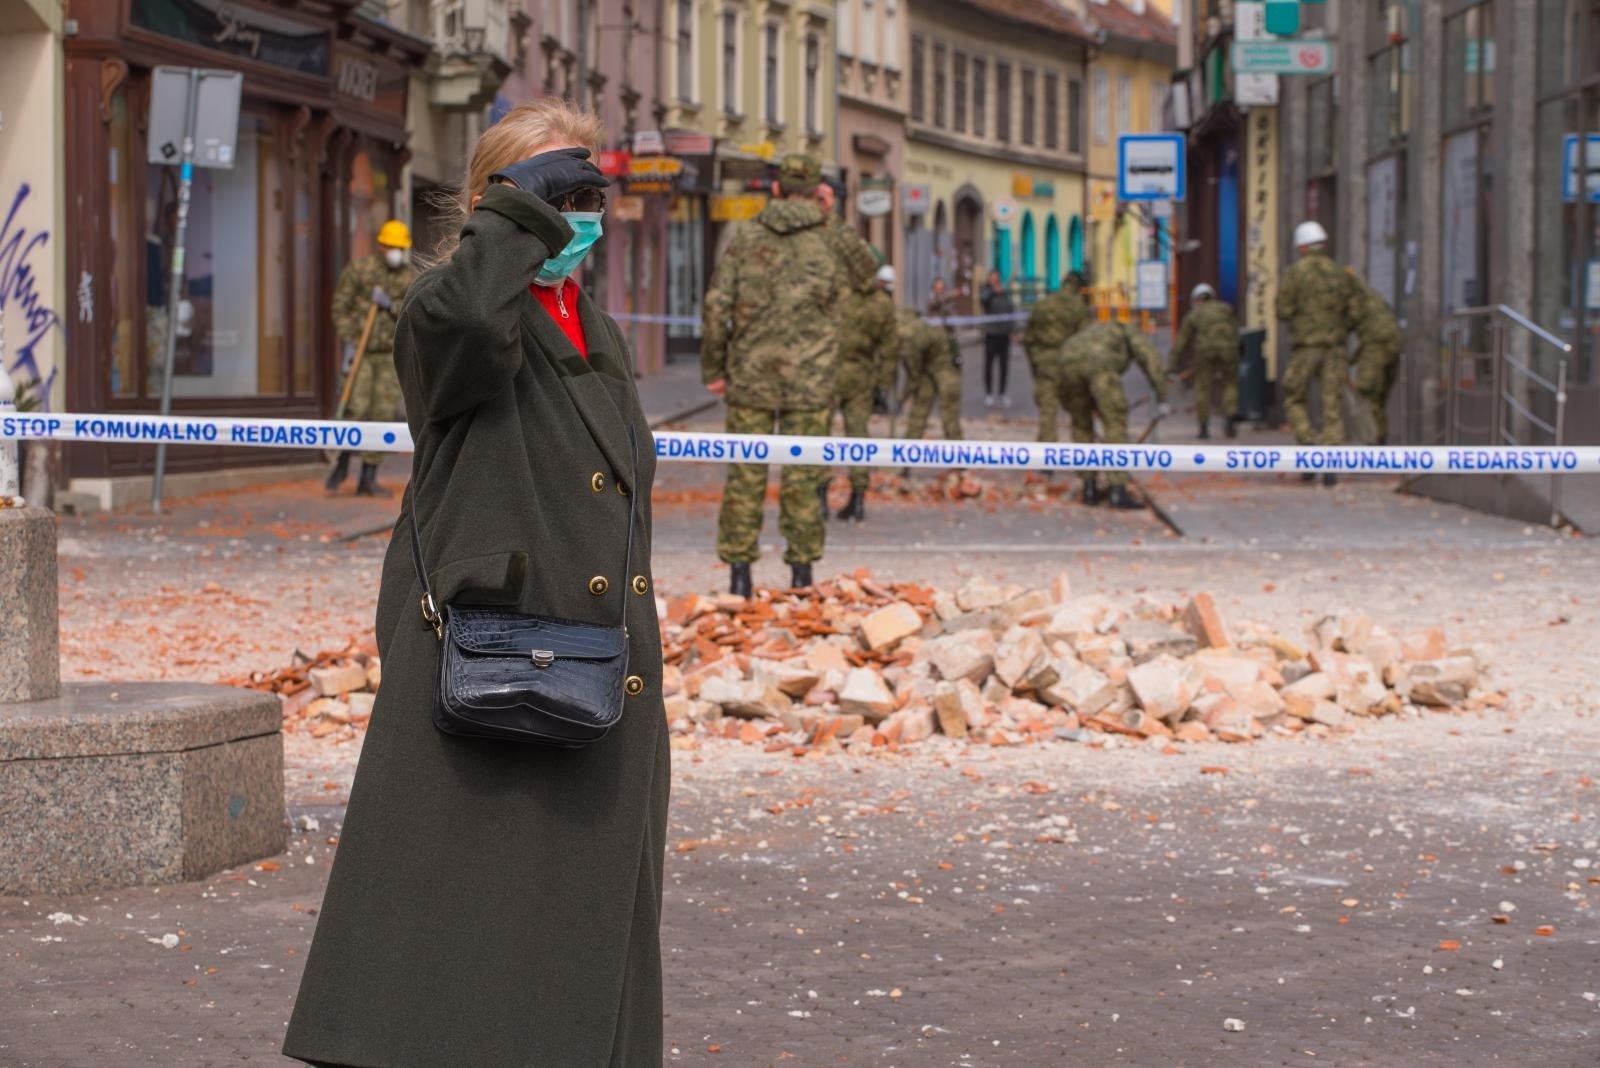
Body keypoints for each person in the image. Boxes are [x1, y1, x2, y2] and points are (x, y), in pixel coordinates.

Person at [282, 100, 668, 1067]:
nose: (568, 216)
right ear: (488, 204)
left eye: (581, 194)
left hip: (591, 660)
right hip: (493, 655)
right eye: (544, 192)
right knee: (452, 921)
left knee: (566, 931)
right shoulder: (448, 308)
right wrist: (511, 221)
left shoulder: (593, 323)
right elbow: (462, 330)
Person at [702, 154, 845, 596]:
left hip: (750, 378)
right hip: (812, 382)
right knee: (804, 477)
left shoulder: (746, 239)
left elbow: (716, 308)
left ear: (777, 189)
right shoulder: (831, 239)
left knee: (745, 476)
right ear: (818, 192)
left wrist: (715, 368)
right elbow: (866, 275)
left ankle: (739, 578)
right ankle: (801, 576)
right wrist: (830, 216)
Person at [327, 219, 417, 496]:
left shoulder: (408, 277)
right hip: (363, 352)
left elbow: (414, 311)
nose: (395, 252)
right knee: (356, 407)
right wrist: (351, 335)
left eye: (399, 248)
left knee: (382, 413)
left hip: (389, 354)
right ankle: (341, 462)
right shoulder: (360, 271)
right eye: (391, 247)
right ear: (381, 245)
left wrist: (392, 306)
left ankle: (369, 475)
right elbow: (340, 305)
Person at [1276, 220, 1358, 484]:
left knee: (1294, 396)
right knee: (1331, 403)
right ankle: (1331, 462)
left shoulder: (1295, 273)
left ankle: (1307, 443)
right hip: (1334, 348)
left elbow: (1282, 310)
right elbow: (1353, 309)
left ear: (1301, 246)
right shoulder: (1339, 272)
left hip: (1305, 348)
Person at [1058, 321, 1169, 509]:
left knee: (1081, 424)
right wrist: (1162, 397)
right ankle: (1117, 490)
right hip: (1099, 363)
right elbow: (1150, 359)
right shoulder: (1129, 331)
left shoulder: (1094, 330)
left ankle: (1089, 489)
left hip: (1066, 360)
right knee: (1115, 423)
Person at [827, 262, 899, 522]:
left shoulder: (838, 295)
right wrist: (883, 386)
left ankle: (820, 495)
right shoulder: (882, 304)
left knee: (820, 435)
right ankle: (857, 498)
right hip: (861, 376)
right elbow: (890, 350)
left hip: (829, 374)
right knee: (858, 437)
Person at [1022, 270, 1091, 442]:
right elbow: (1086, 341)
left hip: (1045, 365)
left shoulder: (1043, 304)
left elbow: (1029, 339)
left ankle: (1047, 460)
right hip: (1069, 366)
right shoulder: (1079, 308)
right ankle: (1084, 463)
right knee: (1080, 415)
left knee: (1047, 413)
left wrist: (1035, 365)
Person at [1172, 282, 1241, 439]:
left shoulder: (1195, 313)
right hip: (1229, 350)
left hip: (1205, 351)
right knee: (1230, 383)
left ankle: (1203, 427)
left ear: (1196, 299)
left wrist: (1171, 367)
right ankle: (1230, 418)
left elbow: (1182, 341)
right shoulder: (1225, 309)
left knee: (1202, 387)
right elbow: (1236, 331)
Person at [1347, 267, 1403, 444]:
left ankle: (1373, 441)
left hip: (1376, 346)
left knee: (1365, 394)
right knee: (1378, 397)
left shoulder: (1353, 298)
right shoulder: (1371, 294)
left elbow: (1343, 325)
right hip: (1393, 346)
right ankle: (1379, 439)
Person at [898, 303, 964, 442]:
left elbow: (913, 370)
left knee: (949, 417)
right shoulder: (914, 329)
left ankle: (958, 457)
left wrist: (905, 395)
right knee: (918, 413)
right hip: (927, 369)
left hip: (946, 367)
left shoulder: (910, 334)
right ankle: (906, 454)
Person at [979, 269, 1016, 408]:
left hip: (1004, 334)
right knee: (989, 364)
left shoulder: (1004, 292)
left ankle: (1002, 393)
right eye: (992, 277)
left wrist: (1012, 330)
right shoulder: (986, 291)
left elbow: (1010, 310)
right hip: (991, 333)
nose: (994, 280)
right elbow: (983, 300)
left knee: (1004, 365)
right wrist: (992, 290)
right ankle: (989, 393)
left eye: (996, 277)